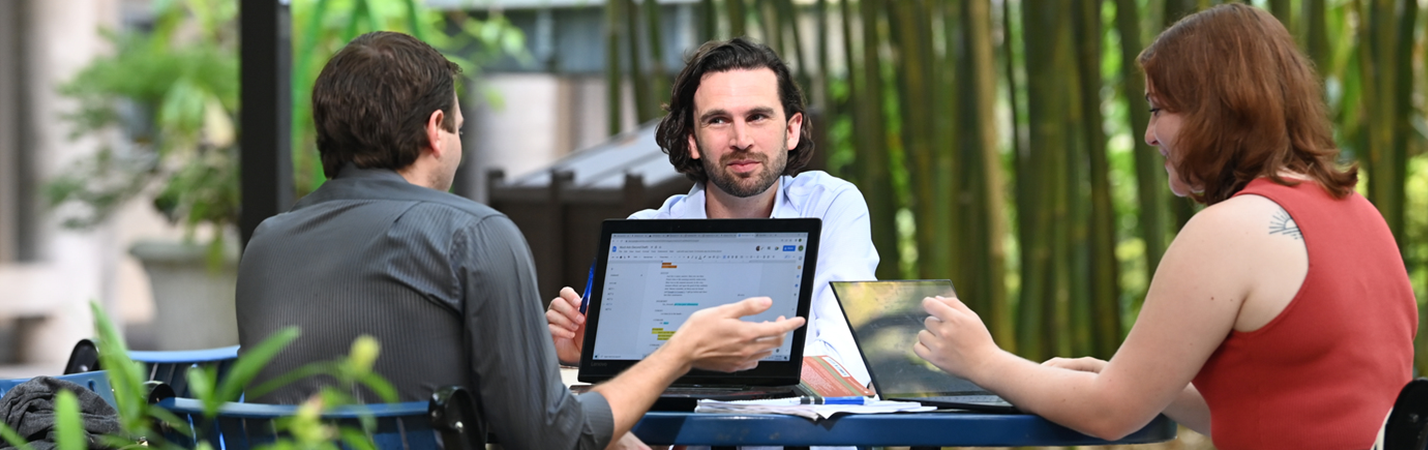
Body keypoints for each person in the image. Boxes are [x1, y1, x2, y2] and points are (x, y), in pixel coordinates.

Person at [235, 31, 805, 450]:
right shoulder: (474, 235)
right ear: (436, 131)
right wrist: (682, 349)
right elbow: (553, 439)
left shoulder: (266, 244)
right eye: (460, 128)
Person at [912, 5, 1416, 450]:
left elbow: (1109, 414)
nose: (1150, 136)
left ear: (1219, 109)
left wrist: (984, 361)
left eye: (1159, 110)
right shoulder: (1357, 210)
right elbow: (1275, 405)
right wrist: (1142, 381)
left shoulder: (1230, 230)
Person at [547, 38, 880, 385]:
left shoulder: (830, 207)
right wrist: (577, 354)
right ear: (691, 139)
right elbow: (623, 383)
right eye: (719, 120)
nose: (741, 139)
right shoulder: (645, 235)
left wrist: (700, 365)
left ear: (792, 129)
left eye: (757, 116)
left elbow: (848, 358)